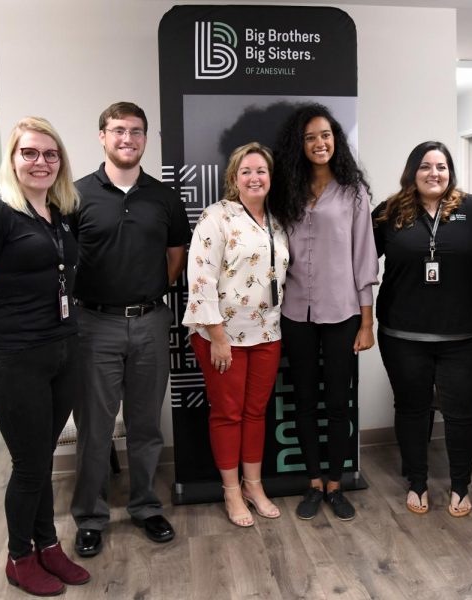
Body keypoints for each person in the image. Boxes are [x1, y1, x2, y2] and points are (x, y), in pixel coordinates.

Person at [0, 117, 90, 596]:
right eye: (29, 153)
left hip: (63, 352)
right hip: (15, 359)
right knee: (29, 465)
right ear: (12, 160)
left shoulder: (60, 213)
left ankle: (48, 547)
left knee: (42, 457)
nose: (41, 162)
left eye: (50, 154)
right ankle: (19, 556)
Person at [69, 102, 191, 555]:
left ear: (145, 139)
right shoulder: (75, 195)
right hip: (93, 325)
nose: (127, 138)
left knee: (146, 426)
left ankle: (144, 506)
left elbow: (175, 256)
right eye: (118, 130)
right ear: (102, 136)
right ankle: (91, 517)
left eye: (136, 131)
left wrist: (149, 292)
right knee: (95, 429)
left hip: (149, 322)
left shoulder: (163, 197)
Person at [271, 103, 378, 521]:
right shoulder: (285, 191)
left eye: (327, 135)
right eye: (311, 137)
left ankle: (336, 484)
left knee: (337, 402)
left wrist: (367, 321)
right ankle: (313, 482)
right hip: (295, 312)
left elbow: (365, 260)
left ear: (337, 141)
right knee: (303, 402)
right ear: (300, 145)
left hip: (344, 314)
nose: (320, 143)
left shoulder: (353, 193)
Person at [373, 141, 472, 517]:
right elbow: (359, 263)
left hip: (463, 335)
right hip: (403, 334)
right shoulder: (390, 212)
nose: (434, 173)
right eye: (425, 166)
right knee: (411, 409)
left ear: (450, 171)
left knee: (461, 412)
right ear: (412, 171)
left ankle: (460, 487)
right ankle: (418, 483)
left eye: (441, 166)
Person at [182, 142, 290, 528]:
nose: (254, 177)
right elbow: (200, 277)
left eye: (261, 170)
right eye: (246, 171)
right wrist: (217, 334)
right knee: (228, 414)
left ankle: (254, 485)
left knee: (256, 412)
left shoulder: (276, 222)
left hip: (267, 332)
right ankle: (230, 490)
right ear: (234, 178)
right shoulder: (217, 216)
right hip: (222, 334)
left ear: (270, 178)